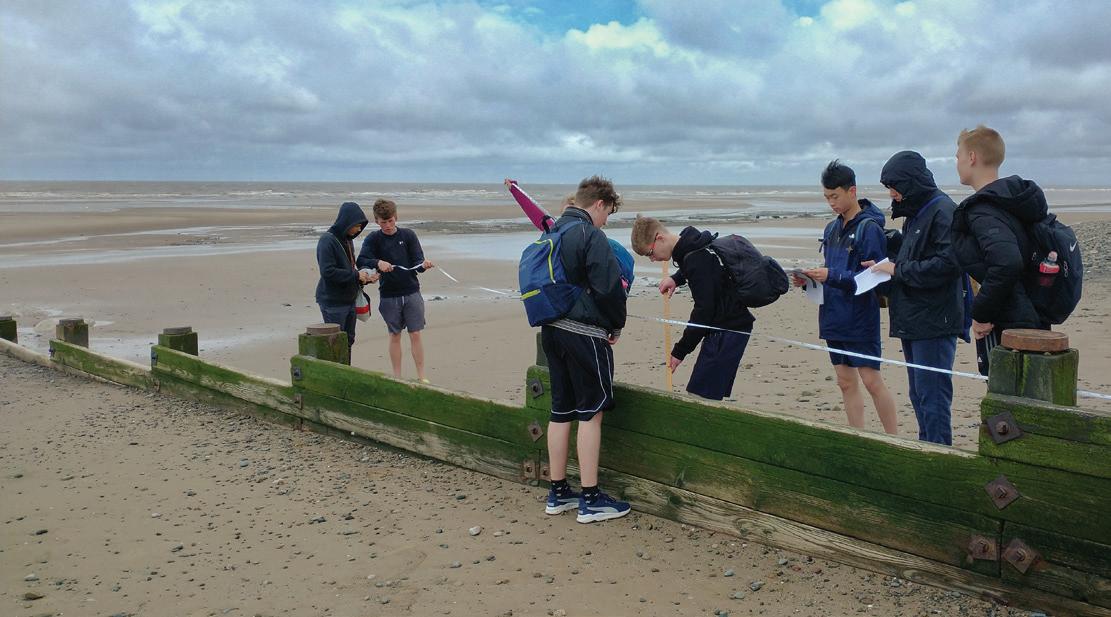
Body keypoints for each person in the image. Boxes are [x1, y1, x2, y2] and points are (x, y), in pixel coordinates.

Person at [538, 175, 630, 524]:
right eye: (608, 213)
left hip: (552, 330)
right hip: (584, 333)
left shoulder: (552, 232)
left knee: (560, 410)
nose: (606, 221)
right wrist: (616, 325)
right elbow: (609, 287)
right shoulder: (590, 235)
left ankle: (558, 491)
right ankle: (590, 498)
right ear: (599, 204)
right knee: (591, 412)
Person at [792, 160, 898, 434]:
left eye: (835, 196)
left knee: (871, 380)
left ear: (852, 191)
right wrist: (808, 280)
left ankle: (894, 437)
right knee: (844, 381)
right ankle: (856, 436)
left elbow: (874, 277)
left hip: (860, 316)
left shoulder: (869, 228)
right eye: (827, 197)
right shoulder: (831, 229)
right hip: (832, 314)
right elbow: (830, 271)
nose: (831, 203)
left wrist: (831, 276)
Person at [868, 151, 967, 445]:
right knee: (919, 395)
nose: (892, 193)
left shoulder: (943, 210)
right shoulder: (915, 213)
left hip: (935, 321)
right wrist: (886, 265)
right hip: (913, 319)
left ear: (910, 183)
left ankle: (939, 456)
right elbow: (913, 258)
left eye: (894, 187)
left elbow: (949, 264)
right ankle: (927, 449)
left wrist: (897, 269)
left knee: (932, 397)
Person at [951, 125, 1050, 375]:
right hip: (1032, 313)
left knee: (1005, 393)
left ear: (972, 157)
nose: (957, 162)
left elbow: (1007, 262)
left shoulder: (984, 209)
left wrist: (981, 313)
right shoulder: (1012, 201)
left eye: (958, 156)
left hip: (1010, 323)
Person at [630, 216, 754, 401]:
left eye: (650, 253)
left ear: (659, 238)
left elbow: (703, 312)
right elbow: (699, 269)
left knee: (701, 395)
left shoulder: (694, 257)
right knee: (705, 393)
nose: (652, 259)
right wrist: (676, 279)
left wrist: (680, 351)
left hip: (728, 329)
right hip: (727, 327)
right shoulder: (691, 246)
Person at [356, 198, 433, 383]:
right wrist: (378, 263)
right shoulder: (373, 239)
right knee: (395, 335)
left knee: (415, 333)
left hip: (412, 292)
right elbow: (361, 260)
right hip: (389, 295)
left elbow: (417, 262)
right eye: (384, 222)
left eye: (391, 221)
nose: (388, 226)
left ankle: (422, 376)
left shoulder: (408, 235)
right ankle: (397, 377)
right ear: (377, 221)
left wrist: (423, 265)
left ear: (396, 217)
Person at [315, 201, 374, 358]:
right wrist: (356, 275)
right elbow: (327, 272)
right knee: (335, 343)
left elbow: (349, 270)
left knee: (348, 340)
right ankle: (334, 370)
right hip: (333, 302)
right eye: (357, 225)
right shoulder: (327, 240)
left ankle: (346, 368)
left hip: (349, 299)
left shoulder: (348, 239)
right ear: (347, 222)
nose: (359, 229)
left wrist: (365, 278)